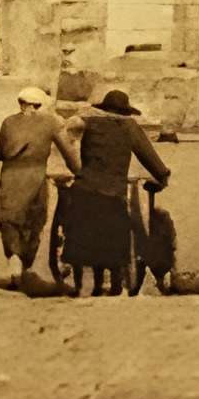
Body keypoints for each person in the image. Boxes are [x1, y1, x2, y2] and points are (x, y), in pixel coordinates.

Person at [57, 90, 169, 298]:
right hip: (112, 192)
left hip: (85, 189)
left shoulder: (88, 122)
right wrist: (163, 176)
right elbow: (148, 156)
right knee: (115, 238)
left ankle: (86, 285)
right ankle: (116, 285)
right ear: (124, 111)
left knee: (85, 236)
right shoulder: (128, 127)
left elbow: (69, 143)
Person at [0, 87, 61, 292]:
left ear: (22, 103)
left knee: (8, 220)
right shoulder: (50, 123)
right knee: (34, 222)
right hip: (35, 178)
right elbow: (67, 149)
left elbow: (1, 152)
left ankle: (14, 262)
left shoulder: (8, 122)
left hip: (10, 178)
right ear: (39, 105)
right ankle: (26, 265)